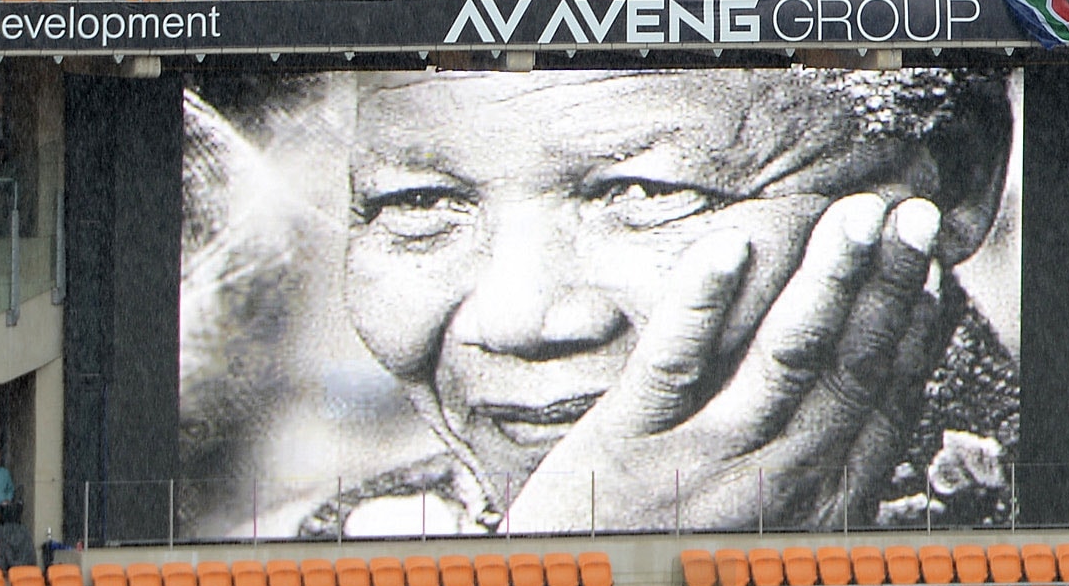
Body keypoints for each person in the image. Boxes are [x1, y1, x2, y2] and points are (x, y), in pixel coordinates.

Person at [187, 68, 1019, 539]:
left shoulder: (1062, 538)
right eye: (416, 202)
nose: (513, 318)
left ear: (953, 172)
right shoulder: (331, 544)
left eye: (645, 190)